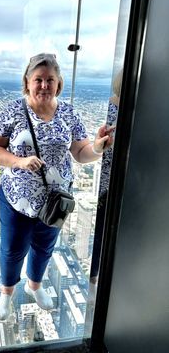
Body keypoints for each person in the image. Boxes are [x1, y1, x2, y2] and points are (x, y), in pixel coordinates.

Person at [0, 53, 114, 321]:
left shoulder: (68, 112)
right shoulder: (13, 111)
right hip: (16, 199)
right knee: (12, 249)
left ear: (58, 83)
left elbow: (80, 151)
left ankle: (35, 286)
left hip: (55, 200)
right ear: (27, 82)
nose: (44, 85)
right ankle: (7, 293)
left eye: (50, 80)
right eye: (38, 79)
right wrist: (18, 161)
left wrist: (98, 148)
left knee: (44, 246)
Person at [90, 69, 123, 284]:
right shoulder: (123, 105)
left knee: (105, 226)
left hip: (110, 177)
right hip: (116, 176)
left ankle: (97, 275)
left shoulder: (115, 103)